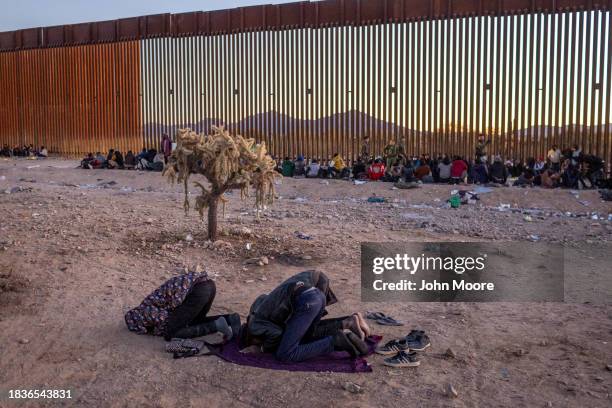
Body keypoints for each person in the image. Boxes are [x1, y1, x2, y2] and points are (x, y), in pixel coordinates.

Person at [242, 270, 371, 362]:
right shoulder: (258, 308)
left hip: (306, 301)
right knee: (307, 336)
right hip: (316, 296)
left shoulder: (254, 325)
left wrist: (262, 349)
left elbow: (276, 334)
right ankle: (346, 323)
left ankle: (335, 341)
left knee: (285, 355)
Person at [125, 271, 239, 341]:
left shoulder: (146, 312)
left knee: (171, 333)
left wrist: (160, 331)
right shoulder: (149, 303)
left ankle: (215, 326)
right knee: (194, 320)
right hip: (209, 285)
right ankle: (230, 318)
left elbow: (165, 324)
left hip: (197, 292)